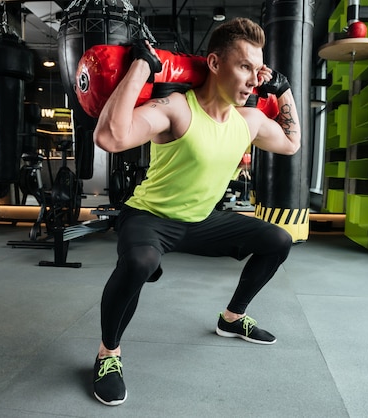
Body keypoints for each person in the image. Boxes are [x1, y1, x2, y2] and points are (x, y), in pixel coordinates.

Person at [92, 17, 301, 406]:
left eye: (258, 70)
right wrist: (141, 66)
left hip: (202, 220)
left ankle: (233, 318)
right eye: (244, 67)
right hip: (150, 217)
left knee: (278, 239)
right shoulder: (176, 109)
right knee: (139, 262)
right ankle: (109, 354)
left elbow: (291, 143)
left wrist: (284, 90)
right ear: (215, 63)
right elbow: (109, 136)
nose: (254, 79)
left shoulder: (249, 120)